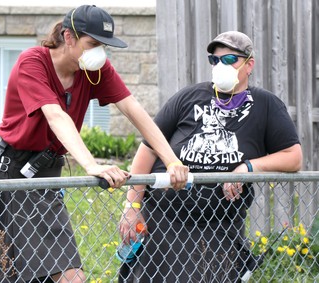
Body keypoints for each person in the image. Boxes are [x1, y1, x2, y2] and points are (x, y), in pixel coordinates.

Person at [0, 5, 188, 283]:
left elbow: (134, 111)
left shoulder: (95, 70)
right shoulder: (32, 62)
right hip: (6, 171)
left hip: (45, 175)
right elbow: (55, 115)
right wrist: (91, 165)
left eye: (104, 46)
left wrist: (171, 160)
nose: (100, 53)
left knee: (71, 277)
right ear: (68, 36)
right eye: (93, 44)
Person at [118, 31, 302, 282]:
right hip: (166, 222)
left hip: (220, 227)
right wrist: (132, 206)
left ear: (249, 65)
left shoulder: (266, 105)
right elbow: (148, 149)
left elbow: (293, 157)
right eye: (214, 60)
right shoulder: (188, 97)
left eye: (229, 60)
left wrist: (247, 167)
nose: (219, 66)